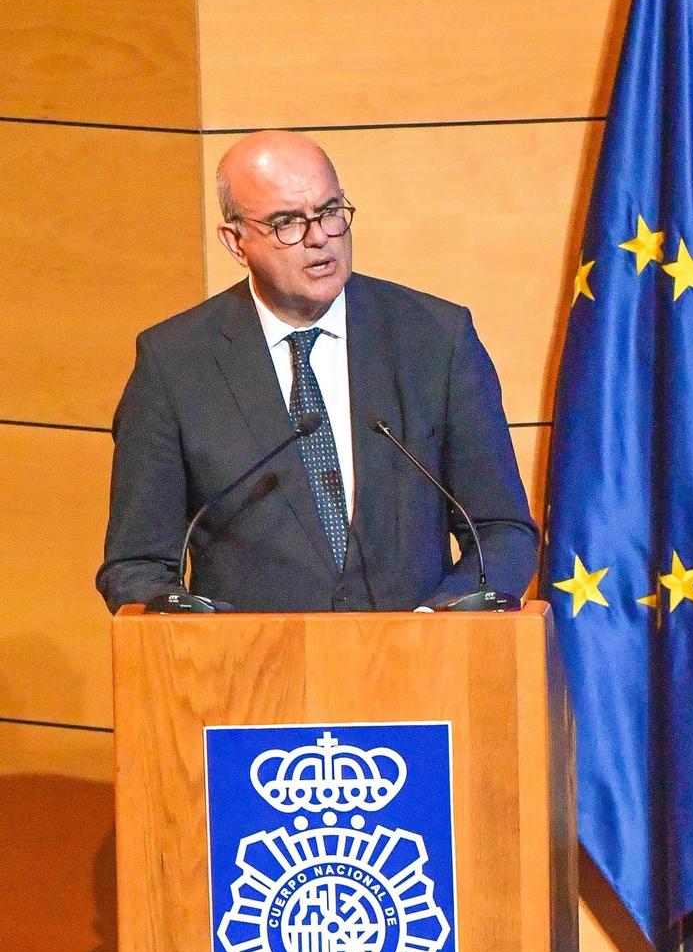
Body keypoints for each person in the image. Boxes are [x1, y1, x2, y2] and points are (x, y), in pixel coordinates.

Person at [97, 130, 538, 614]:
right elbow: (136, 564)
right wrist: (202, 630)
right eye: (287, 222)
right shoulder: (175, 363)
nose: (319, 237)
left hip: (419, 669)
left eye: (330, 211)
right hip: (247, 676)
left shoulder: (435, 338)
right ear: (236, 241)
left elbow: (501, 531)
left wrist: (438, 623)